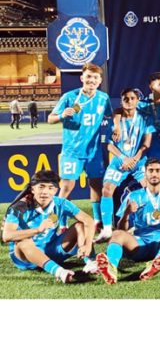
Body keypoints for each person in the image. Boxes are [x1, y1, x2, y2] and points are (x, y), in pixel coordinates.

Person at [95, 158, 160, 284]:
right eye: (151, 171)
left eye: (158, 171)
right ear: (145, 174)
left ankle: (157, 261)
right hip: (139, 243)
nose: (154, 174)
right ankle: (111, 267)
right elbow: (121, 230)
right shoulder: (133, 196)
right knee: (116, 234)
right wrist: (127, 213)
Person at [47, 63, 113, 230]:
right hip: (72, 152)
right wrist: (62, 115)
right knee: (67, 186)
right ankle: (61, 223)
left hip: (94, 152)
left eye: (95, 77)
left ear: (100, 81)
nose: (92, 80)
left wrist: (117, 127)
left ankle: (97, 220)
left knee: (96, 184)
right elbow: (50, 119)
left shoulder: (103, 98)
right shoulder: (70, 97)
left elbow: (111, 116)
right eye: (89, 76)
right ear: (82, 78)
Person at [2, 170, 96, 283]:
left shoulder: (61, 203)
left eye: (50, 188)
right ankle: (60, 272)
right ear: (33, 189)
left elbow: (88, 220)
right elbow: (6, 236)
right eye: (41, 187)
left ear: (56, 190)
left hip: (51, 251)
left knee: (79, 226)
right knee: (23, 241)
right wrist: (38, 230)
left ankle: (90, 262)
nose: (45, 192)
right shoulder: (20, 207)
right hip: (26, 258)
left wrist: (88, 245)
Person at [97, 88, 154, 242]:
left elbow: (146, 143)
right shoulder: (114, 120)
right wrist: (123, 158)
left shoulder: (145, 118)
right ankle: (107, 229)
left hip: (138, 161)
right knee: (107, 189)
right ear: (121, 101)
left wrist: (134, 158)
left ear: (137, 100)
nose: (129, 101)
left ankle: (143, 225)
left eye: (132, 98)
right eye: (125, 99)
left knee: (149, 190)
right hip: (119, 161)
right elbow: (109, 145)